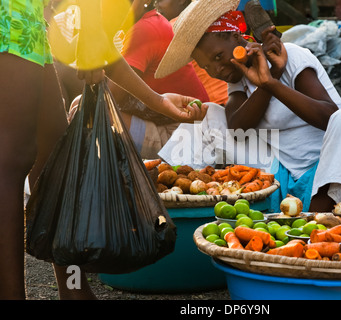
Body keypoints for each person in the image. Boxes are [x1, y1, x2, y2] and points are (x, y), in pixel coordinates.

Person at [0, 0, 206, 300]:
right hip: (11, 14)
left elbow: (99, 48)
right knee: (13, 159)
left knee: (54, 156)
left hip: (28, 18)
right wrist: (91, 40)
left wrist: (159, 101)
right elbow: (95, 40)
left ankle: (73, 289)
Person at [154, 0, 341, 213]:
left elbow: (328, 116)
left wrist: (272, 80)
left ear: (235, 36)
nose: (217, 70)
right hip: (283, 177)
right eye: (206, 66)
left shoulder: (290, 55)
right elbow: (237, 129)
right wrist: (269, 80)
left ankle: (314, 222)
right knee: (207, 115)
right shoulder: (239, 79)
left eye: (218, 56)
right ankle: (169, 192)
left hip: (338, 176)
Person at [107, 1, 210, 159]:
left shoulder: (143, 30)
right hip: (175, 125)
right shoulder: (148, 21)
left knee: (96, 113)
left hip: (182, 136)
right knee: (82, 106)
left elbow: (110, 98)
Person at [154, 0, 229, 106]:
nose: (157, 5)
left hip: (218, 103)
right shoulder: (209, 16)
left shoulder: (172, 29)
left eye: (160, 0)